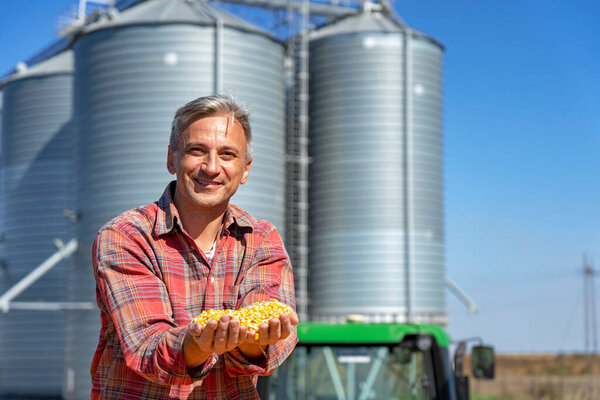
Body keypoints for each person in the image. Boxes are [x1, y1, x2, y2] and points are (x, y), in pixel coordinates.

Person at [91, 95, 298, 399]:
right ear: (171, 159)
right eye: (196, 151)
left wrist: (256, 340)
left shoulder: (261, 238)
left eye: (227, 154)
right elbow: (145, 346)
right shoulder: (126, 236)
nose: (211, 167)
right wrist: (197, 343)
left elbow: (264, 327)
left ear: (245, 169)